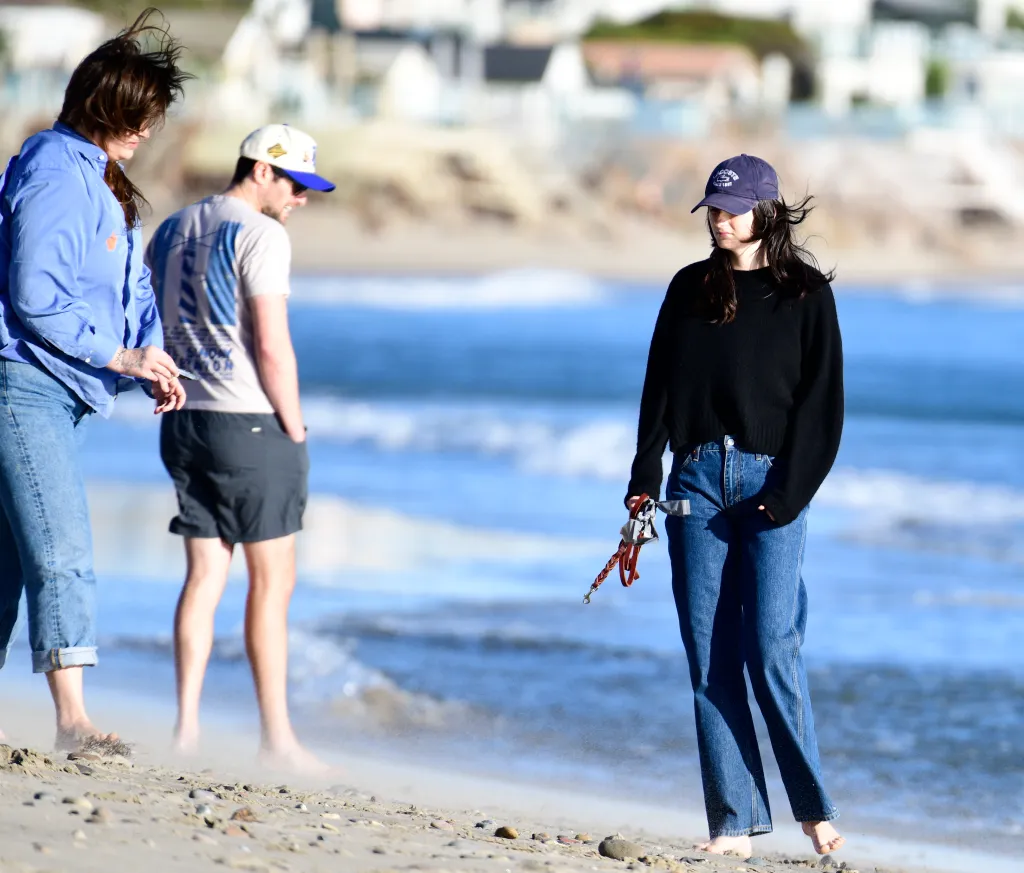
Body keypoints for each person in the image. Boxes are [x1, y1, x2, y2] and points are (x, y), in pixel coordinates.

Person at [625, 155, 845, 858]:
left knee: (771, 644)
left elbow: (823, 411)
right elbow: (658, 390)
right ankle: (733, 821)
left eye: (734, 209)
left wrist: (785, 499)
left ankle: (812, 811)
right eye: (714, 209)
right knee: (709, 655)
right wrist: (642, 479)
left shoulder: (806, 295)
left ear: (767, 211)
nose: (721, 220)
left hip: (770, 483)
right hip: (694, 484)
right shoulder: (689, 288)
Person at [0, 10, 188, 750]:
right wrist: (118, 357)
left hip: (57, 389)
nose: (148, 129)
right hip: (21, 381)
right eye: (138, 114)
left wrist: (150, 357)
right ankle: (74, 720)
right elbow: (35, 294)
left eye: (155, 117)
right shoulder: (53, 167)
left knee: (11, 561)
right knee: (62, 549)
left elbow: (128, 291)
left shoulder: (103, 178)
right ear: (103, 105)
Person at [145, 124, 335, 773]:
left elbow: (155, 320)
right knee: (272, 581)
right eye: (295, 183)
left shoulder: (170, 229)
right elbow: (272, 346)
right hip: (248, 420)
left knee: (202, 577)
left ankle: (186, 730)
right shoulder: (260, 234)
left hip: (184, 418)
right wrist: (296, 427)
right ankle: (276, 738)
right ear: (260, 169)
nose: (301, 199)